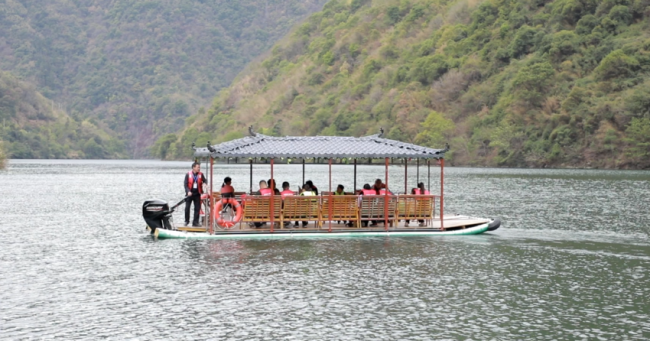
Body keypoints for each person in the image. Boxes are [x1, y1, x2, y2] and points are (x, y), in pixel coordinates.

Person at [184, 161, 207, 227]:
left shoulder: (201, 174)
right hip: (189, 194)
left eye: (199, 167)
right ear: (193, 167)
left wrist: (205, 183)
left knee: (197, 208)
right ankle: (186, 221)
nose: (199, 168)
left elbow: (205, 180)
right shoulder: (188, 174)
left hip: (197, 194)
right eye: (198, 167)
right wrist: (188, 191)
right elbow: (185, 184)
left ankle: (195, 222)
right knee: (187, 208)